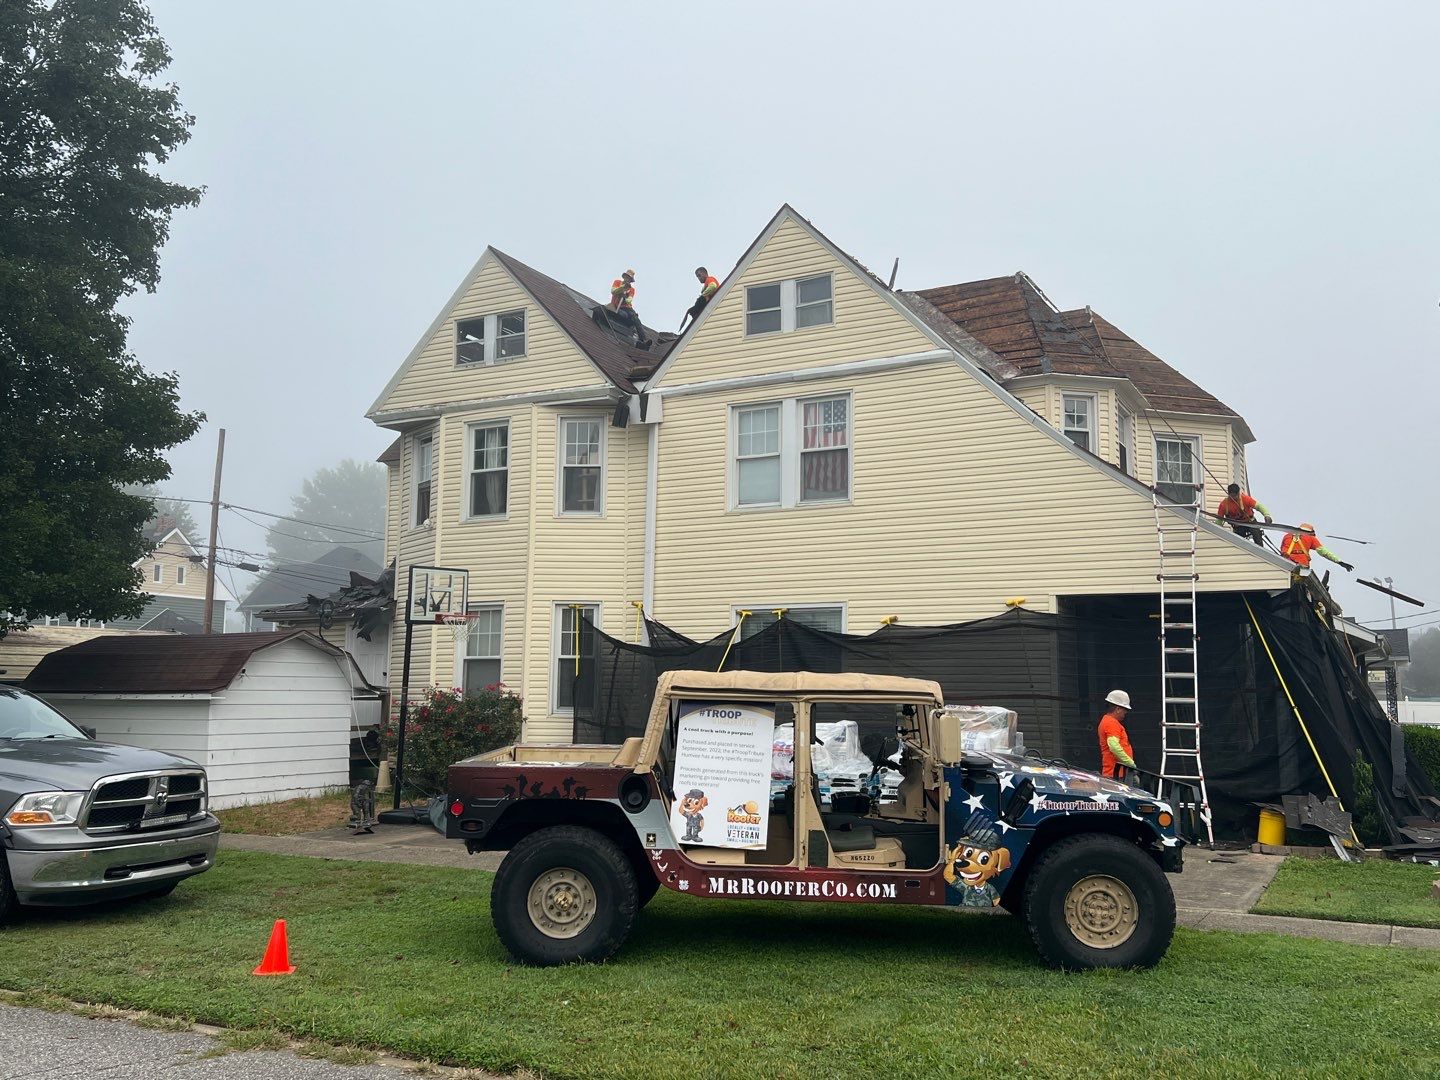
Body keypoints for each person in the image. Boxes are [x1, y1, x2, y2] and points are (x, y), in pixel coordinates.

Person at [1097, 689, 1137, 781]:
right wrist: (1130, 763)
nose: (1126, 712)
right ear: (1118, 709)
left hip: (1116, 773)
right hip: (1117, 774)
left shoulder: (1106, 721)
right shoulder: (1111, 723)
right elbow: (1114, 746)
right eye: (1125, 709)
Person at [1280, 523, 1353, 572]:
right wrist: (1340, 562)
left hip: (1283, 563)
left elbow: (1282, 549)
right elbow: (1324, 552)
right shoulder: (1311, 538)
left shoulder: (1287, 536)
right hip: (1301, 564)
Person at [608, 269, 650, 346]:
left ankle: (643, 340)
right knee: (624, 315)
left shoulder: (631, 289)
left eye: (629, 278)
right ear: (624, 277)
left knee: (635, 319)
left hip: (626, 307)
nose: (628, 279)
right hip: (616, 306)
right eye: (627, 277)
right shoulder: (617, 282)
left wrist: (625, 297)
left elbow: (629, 300)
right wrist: (623, 287)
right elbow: (613, 291)